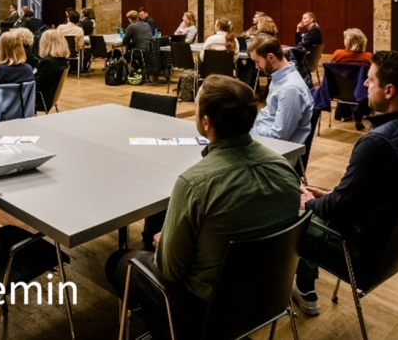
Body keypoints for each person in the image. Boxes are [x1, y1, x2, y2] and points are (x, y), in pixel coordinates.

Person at [105, 75, 301, 339]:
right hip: (267, 297)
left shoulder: (195, 183)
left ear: (206, 123)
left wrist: (165, 244)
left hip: (206, 309)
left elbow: (169, 271)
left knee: (118, 262)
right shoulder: (284, 169)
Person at [292, 51, 398, 316]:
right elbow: (384, 195)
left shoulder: (379, 143)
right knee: (318, 200)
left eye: (370, 79)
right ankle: (304, 286)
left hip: (363, 255)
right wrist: (326, 197)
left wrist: (311, 203)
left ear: (389, 90)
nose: (365, 84)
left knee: (288, 210)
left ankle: (301, 288)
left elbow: (337, 209)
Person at [248, 35, 315, 143]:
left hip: (277, 147)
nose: (256, 66)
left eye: (257, 61)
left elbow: (279, 135)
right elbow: (269, 113)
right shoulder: (279, 77)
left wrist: (248, 131)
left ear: (271, 57)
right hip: (264, 135)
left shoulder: (289, 90)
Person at [34, 29, 69, 112]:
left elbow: (37, 85)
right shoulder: (63, 61)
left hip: (39, 99)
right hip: (49, 98)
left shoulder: (48, 63)